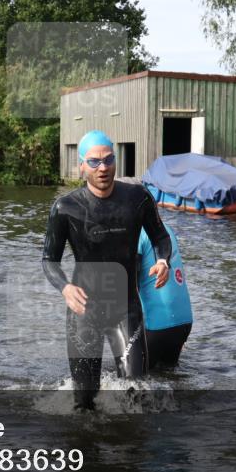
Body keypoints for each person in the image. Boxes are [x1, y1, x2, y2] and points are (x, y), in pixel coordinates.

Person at [42, 130, 171, 411]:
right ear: (81, 166)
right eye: (94, 162)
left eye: (108, 159)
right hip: (84, 311)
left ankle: (131, 453)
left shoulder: (137, 198)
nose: (103, 168)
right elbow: (49, 260)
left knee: (137, 393)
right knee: (84, 402)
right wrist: (64, 287)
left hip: (126, 309)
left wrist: (163, 261)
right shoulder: (65, 207)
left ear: (116, 160)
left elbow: (160, 237)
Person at [138, 222, 193, 370]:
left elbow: (130, 286)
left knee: (132, 382)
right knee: (167, 376)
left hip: (158, 324)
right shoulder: (165, 229)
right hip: (184, 321)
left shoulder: (135, 232)